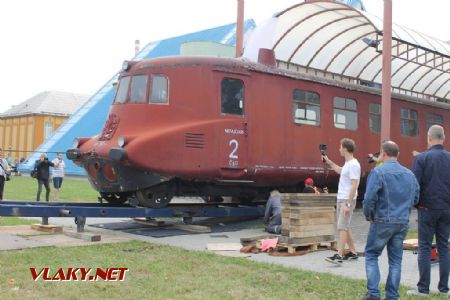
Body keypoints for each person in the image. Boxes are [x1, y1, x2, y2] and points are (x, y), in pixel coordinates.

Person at [362, 141, 420, 300]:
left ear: (383, 153)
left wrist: (369, 215)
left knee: (372, 254)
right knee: (395, 260)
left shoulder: (378, 172)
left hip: (382, 221)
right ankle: (392, 295)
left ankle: (373, 293)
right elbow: (416, 198)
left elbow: (368, 199)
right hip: (402, 222)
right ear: (397, 154)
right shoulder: (410, 174)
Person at [408, 125, 450, 297]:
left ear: (429, 138)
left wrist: (416, 204)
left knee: (425, 247)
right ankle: (444, 289)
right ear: (444, 138)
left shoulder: (422, 159)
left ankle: (423, 289)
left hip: (427, 208)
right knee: (444, 247)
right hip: (446, 209)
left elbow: (414, 185)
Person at [322, 138, 361, 264]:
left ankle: (339, 255)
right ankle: (353, 252)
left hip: (346, 199)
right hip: (342, 198)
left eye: (340, 147)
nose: (339, 149)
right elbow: (340, 171)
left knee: (341, 226)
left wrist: (348, 204)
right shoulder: (348, 164)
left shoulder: (354, 164)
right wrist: (329, 162)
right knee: (345, 226)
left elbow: (355, 184)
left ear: (345, 148)